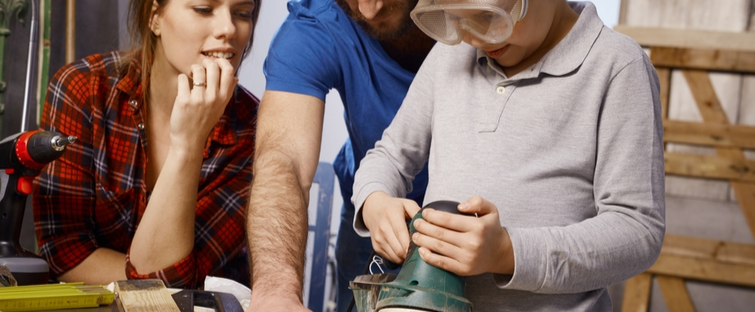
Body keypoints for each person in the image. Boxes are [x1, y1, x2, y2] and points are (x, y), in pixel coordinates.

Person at [352, 0, 665, 310]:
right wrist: (375, 202)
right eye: (456, 20)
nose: (473, 37)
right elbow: (389, 157)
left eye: (488, 17)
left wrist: (508, 252)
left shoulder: (618, 66)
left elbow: (637, 230)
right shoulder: (451, 54)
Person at [33, 0, 261, 289]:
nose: (229, 28)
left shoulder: (255, 130)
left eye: (243, 14)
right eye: (204, 8)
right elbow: (64, 255)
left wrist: (188, 144)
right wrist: (149, 279)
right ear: (154, 17)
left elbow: (170, 277)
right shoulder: (85, 89)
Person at [245, 0, 434, 311]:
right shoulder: (318, 22)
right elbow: (284, 159)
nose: (369, 10)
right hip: (369, 210)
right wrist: (275, 293)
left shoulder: (483, 22)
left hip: (471, 215)